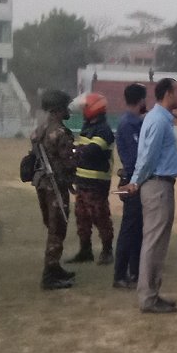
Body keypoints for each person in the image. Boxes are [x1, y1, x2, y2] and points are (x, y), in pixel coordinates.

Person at [118, 77, 177, 314]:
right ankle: (148, 297)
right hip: (157, 185)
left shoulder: (158, 118)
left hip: (159, 185)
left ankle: (152, 293)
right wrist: (136, 181)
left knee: (156, 242)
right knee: (154, 243)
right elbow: (148, 156)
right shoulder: (158, 120)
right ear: (168, 94)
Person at [31, 90, 77, 289]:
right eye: (65, 108)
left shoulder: (39, 130)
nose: (68, 111)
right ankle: (50, 274)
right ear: (57, 110)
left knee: (52, 225)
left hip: (42, 183)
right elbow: (69, 161)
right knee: (57, 228)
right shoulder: (60, 133)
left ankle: (55, 267)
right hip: (56, 185)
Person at [66, 93, 115, 266]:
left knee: (100, 216)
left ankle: (107, 251)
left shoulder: (103, 130)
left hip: (96, 183)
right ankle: (85, 251)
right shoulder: (88, 127)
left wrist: (71, 151)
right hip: (82, 181)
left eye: (85, 107)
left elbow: (90, 151)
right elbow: (80, 151)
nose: (82, 110)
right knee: (82, 217)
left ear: (93, 109)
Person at [113, 83, 146, 289]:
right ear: (141, 100)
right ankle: (120, 274)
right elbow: (135, 158)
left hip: (138, 180)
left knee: (137, 229)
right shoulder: (128, 124)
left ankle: (135, 271)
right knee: (129, 229)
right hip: (132, 181)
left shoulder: (136, 122)